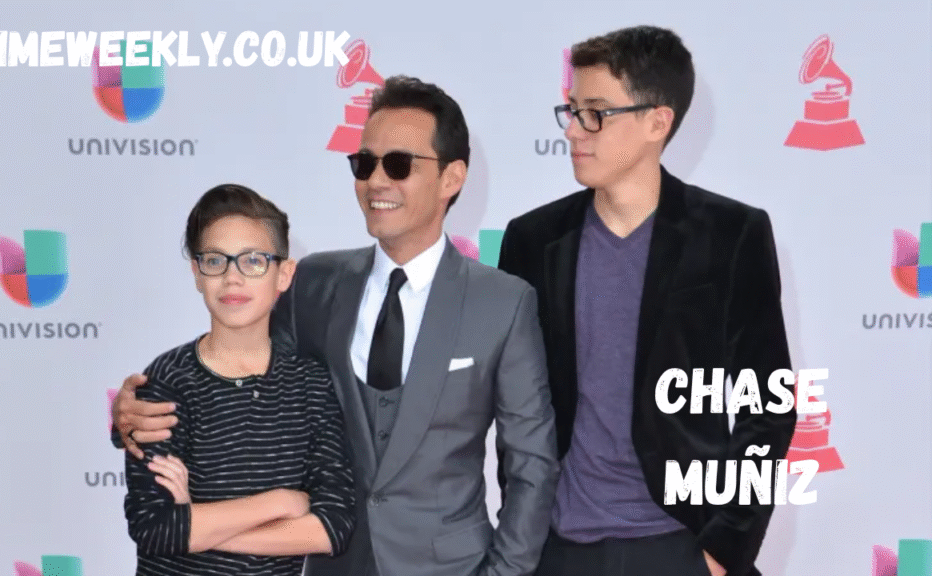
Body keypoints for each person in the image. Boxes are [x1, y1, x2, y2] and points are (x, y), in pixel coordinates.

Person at [113, 76, 560, 576]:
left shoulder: (503, 303)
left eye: (398, 164)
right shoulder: (314, 283)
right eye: (364, 164)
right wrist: (133, 414)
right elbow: (241, 378)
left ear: (451, 178)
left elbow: (532, 466)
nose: (376, 181)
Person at [497, 26, 796, 576]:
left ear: (658, 122)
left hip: (681, 542)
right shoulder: (532, 240)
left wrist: (722, 551)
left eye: (596, 113)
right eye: (571, 111)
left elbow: (767, 407)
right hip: (557, 549)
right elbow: (516, 405)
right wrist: (522, 540)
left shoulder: (731, 234)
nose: (574, 130)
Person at [122, 184, 355, 576]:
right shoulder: (166, 381)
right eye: (216, 261)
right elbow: (154, 527)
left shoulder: (311, 385)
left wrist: (197, 522)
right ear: (197, 273)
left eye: (253, 261)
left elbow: (333, 527)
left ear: (284, 274)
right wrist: (280, 502)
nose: (232, 277)